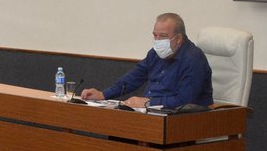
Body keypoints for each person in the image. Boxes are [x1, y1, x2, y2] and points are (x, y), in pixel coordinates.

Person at [81, 13, 213, 109]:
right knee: (117, 128)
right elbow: (133, 78)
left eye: (163, 36)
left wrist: (147, 102)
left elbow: (185, 101)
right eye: (155, 35)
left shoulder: (193, 59)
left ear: (178, 39)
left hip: (183, 122)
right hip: (152, 114)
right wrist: (103, 94)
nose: (158, 41)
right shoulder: (155, 54)